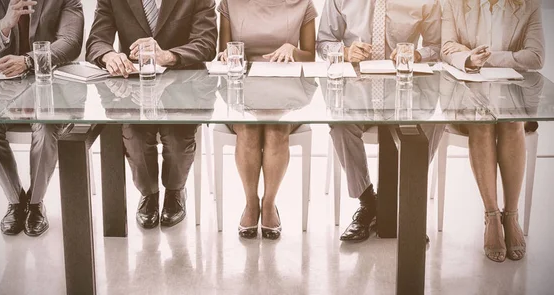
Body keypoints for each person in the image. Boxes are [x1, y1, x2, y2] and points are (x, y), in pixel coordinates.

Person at [316, 0, 443, 242]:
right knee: (340, 124)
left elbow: (436, 46)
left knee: (436, 121)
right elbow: (323, 42)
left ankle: (404, 198)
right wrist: (344, 52)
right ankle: (369, 203)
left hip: (404, 88)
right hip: (356, 86)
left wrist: (416, 53)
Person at [86, 0, 217, 229]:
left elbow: (206, 44)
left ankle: (175, 191)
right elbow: (96, 41)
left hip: (182, 86)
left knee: (177, 137)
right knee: (134, 136)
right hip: (134, 87)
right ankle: (149, 194)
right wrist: (109, 56)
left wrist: (167, 55)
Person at [0, 0, 84, 236]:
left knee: (47, 127)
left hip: (51, 88)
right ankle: (16, 201)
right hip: (2, 92)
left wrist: (30, 61)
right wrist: (4, 25)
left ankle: (35, 203)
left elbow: (71, 42)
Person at [441, 0, 545, 262]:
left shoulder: (529, 5)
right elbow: (447, 47)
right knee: (483, 122)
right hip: (467, 99)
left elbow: (536, 57)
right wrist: (467, 58)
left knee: (511, 121)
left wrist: (486, 58)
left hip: (513, 99)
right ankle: (491, 217)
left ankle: (510, 215)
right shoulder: (455, 4)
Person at [217, 0, 317, 239]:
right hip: (242, 89)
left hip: (286, 89)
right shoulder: (230, 3)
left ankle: (269, 203)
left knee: (275, 128)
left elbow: (310, 56)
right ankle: (251, 203)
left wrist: (292, 51)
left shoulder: (303, 4)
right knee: (249, 128)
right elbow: (224, 51)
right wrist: (223, 55)